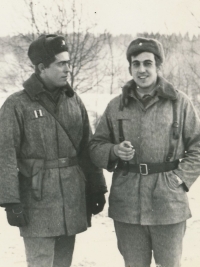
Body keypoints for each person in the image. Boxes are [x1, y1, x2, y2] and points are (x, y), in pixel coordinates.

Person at [89, 37, 200, 267]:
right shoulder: (115, 106)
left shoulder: (180, 103)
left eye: (147, 63)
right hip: (127, 203)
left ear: (158, 66)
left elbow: (198, 147)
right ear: (130, 67)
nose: (141, 69)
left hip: (168, 202)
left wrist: (179, 179)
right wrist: (114, 150)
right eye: (135, 64)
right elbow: (95, 147)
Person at [0, 34, 107, 267]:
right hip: (37, 202)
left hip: (71, 198)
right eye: (61, 63)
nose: (68, 69)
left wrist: (97, 187)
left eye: (68, 62)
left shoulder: (74, 101)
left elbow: (86, 148)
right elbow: (5, 156)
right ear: (41, 67)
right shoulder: (16, 104)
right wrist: (11, 201)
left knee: (63, 264)